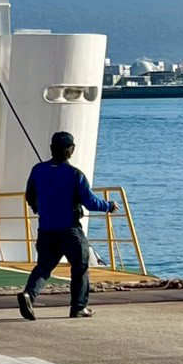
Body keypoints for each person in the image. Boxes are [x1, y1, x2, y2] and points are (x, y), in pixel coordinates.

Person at [17, 130, 118, 320]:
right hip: (70, 229)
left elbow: (30, 195)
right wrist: (109, 205)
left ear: (51, 148)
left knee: (44, 266)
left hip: (46, 229)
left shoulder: (38, 170)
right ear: (70, 151)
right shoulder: (75, 175)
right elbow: (89, 202)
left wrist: (37, 208)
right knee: (80, 266)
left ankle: (29, 294)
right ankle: (79, 307)